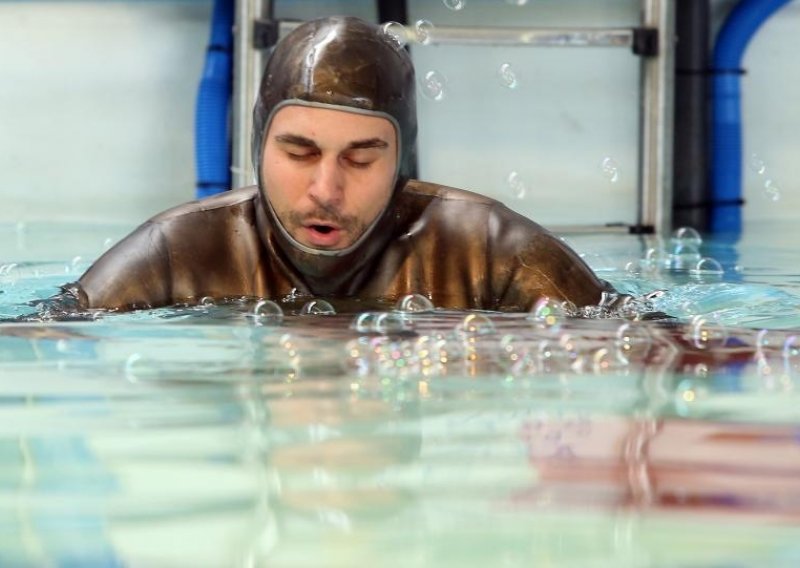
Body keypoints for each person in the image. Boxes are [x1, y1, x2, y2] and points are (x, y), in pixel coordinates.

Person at [62, 15, 618, 314]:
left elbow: (661, 351)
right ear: (258, 144)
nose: (326, 188)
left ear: (403, 159)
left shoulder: (492, 251)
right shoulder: (175, 254)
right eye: (299, 153)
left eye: (361, 158)